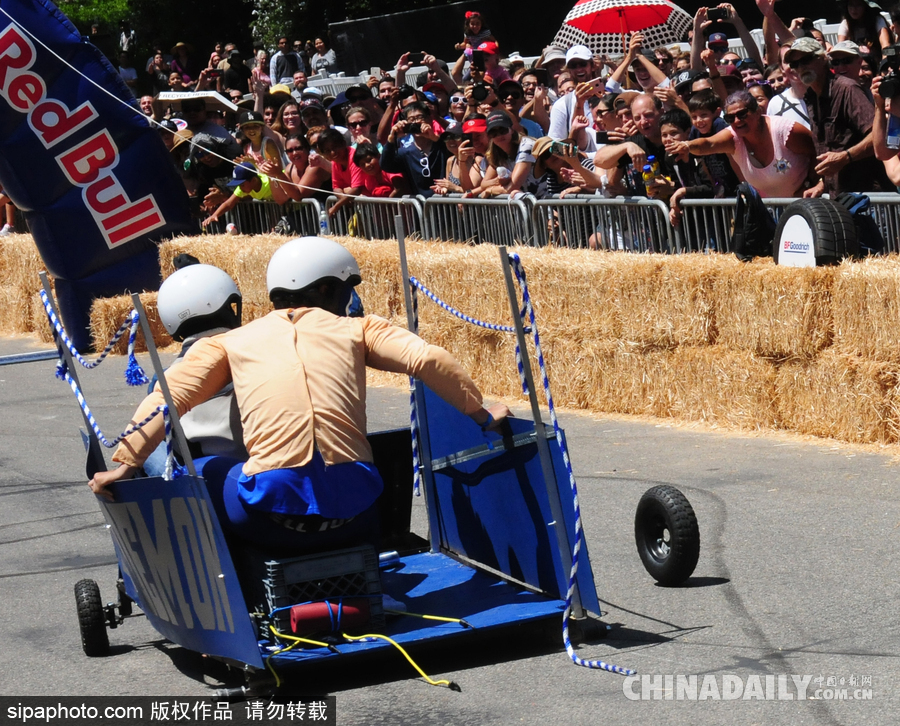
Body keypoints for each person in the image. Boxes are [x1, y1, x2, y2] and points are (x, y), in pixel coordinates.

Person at [89, 237, 509, 554]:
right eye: (347, 288)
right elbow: (429, 359)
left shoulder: (232, 344)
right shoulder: (358, 330)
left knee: (202, 466)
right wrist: (482, 414)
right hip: (358, 514)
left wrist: (125, 465)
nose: (350, 299)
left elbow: (168, 397)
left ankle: (222, 569)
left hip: (266, 519)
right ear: (326, 291)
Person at [142, 262, 247, 478]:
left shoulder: (165, 377)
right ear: (230, 307)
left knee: (150, 448)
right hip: (256, 462)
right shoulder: (258, 356)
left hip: (201, 473)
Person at [786, 35, 892, 194]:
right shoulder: (810, 96)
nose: (801, 67)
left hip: (867, 195)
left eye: (806, 60)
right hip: (840, 196)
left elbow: (877, 136)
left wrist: (845, 157)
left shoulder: (847, 89)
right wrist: (822, 185)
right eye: (795, 64)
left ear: (822, 58)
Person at [668, 90, 815, 198]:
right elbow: (708, 144)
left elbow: (817, 151)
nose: (737, 121)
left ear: (757, 112)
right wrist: (687, 145)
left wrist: (814, 184)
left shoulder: (785, 131)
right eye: (730, 117)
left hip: (806, 204)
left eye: (742, 114)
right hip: (769, 212)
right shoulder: (732, 138)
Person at [381, 102, 450, 197]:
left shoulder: (441, 145)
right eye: (411, 119)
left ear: (429, 119)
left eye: (420, 117)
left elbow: (452, 152)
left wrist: (433, 137)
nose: (416, 122)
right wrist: (392, 139)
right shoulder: (406, 152)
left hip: (447, 202)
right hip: (421, 205)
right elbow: (386, 165)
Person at [202, 162, 274, 228]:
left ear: (254, 180)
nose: (239, 187)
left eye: (242, 184)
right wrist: (215, 215)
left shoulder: (270, 182)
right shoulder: (243, 188)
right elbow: (228, 203)